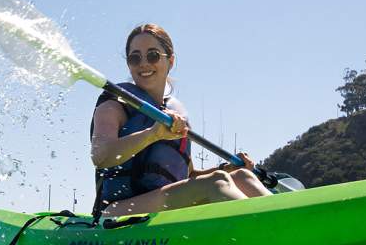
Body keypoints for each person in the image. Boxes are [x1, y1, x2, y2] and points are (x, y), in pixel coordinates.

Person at [90, 23, 271, 217]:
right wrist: (153, 134)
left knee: (242, 176)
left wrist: (226, 168)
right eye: (135, 58)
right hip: (116, 213)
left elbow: (189, 176)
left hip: (163, 207)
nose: (143, 63)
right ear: (129, 64)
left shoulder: (175, 118)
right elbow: (101, 156)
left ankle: (288, 220)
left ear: (171, 61)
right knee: (217, 182)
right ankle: (272, 230)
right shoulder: (114, 105)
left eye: (153, 55)